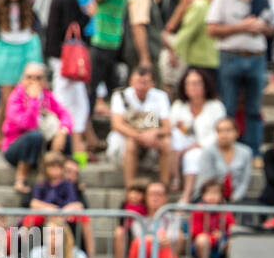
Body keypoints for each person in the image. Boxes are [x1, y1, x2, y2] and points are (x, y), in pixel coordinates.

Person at [206, 0, 271, 153]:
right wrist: (241, 27)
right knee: (228, 107)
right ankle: (226, 150)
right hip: (230, 57)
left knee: (254, 109)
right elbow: (211, 29)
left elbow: (272, 26)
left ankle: (253, 152)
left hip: (256, 58)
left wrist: (262, 27)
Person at [42, 0, 93, 161]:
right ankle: (60, 145)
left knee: (79, 102)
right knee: (64, 102)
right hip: (64, 57)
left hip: (61, 56)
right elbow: (71, 26)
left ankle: (77, 145)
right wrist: (88, 14)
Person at [0, 0, 45, 153]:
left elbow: (38, 25)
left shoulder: (28, 6)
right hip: (6, 49)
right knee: (6, 98)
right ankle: (0, 136)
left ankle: (21, 135)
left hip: (25, 49)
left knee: (28, 94)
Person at [1, 62, 73, 193]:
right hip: (16, 149)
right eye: (29, 77)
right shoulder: (15, 98)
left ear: (44, 80)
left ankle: (66, 177)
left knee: (65, 136)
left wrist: (63, 130)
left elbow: (65, 115)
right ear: (23, 79)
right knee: (34, 136)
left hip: (42, 147)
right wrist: (33, 100)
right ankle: (20, 178)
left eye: (38, 78)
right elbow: (27, 124)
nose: (33, 81)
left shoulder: (47, 96)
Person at [107, 65, 173, 190]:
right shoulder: (120, 96)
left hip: (152, 141)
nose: (141, 87)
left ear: (152, 84)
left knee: (166, 142)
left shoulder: (160, 96)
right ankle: (130, 188)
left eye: (145, 83)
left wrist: (154, 133)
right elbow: (117, 125)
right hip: (128, 141)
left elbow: (167, 128)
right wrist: (140, 136)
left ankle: (165, 185)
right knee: (130, 143)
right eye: (138, 82)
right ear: (131, 81)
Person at [169, 66, 225, 200]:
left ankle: (187, 194)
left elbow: (220, 132)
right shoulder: (178, 105)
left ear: (205, 85)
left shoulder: (216, 106)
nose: (193, 87)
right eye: (189, 83)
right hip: (180, 148)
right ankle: (174, 178)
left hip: (206, 148)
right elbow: (169, 128)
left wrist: (198, 145)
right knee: (175, 137)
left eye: (197, 83)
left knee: (193, 156)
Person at [196, 115, 253, 202]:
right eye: (220, 131)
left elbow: (244, 182)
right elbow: (207, 180)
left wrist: (235, 198)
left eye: (228, 130)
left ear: (237, 133)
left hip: (236, 198)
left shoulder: (246, 152)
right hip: (211, 197)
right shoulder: (208, 151)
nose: (224, 135)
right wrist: (219, 199)